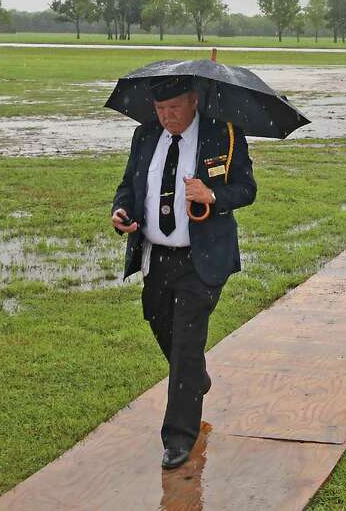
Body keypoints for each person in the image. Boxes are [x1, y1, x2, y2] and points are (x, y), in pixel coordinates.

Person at [110, 74, 256, 470]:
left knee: (187, 344)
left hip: (201, 259)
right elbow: (129, 186)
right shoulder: (145, 136)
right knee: (161, 325)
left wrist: (212, 195)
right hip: (156, 257)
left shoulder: (222, 136)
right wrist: (120, 212)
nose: (167, 116)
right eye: (159, 110)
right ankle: (194, 377)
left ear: (193, 101)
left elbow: (247, 189)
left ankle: (178, 438)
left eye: (174, 108)